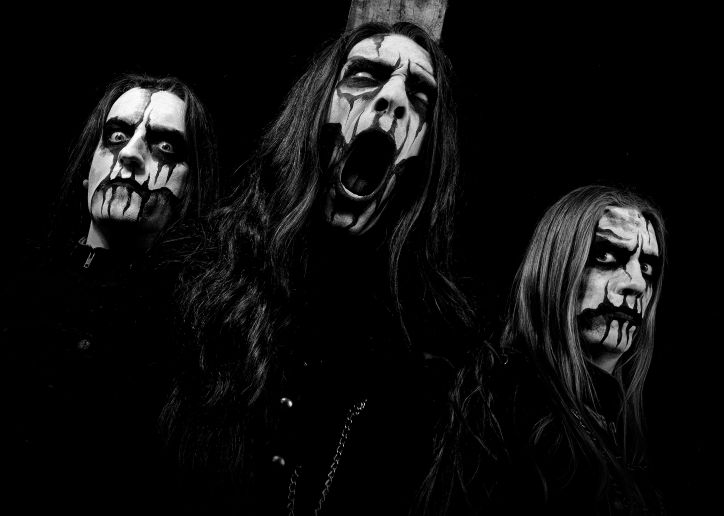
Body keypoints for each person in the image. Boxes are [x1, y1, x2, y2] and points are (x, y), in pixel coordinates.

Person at [164, 21, 475, 515]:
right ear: (312, 111)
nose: (394, 99)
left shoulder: (437, 355)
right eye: (364, 76)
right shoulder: (199, 276)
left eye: (420, 96)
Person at [1, 74, 219, 514]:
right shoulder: (16, 287)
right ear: (88, 169)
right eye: (116, 136)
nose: (130, 154)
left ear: (190, 188)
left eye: (165, 147)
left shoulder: (194, 336)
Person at [422, 185, 666, 515]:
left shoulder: (631, 439)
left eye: (647, 267)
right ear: (556, 268)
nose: (636, 283)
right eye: (605, 256)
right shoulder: (500, 410)